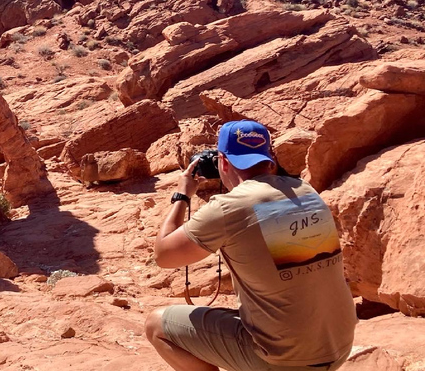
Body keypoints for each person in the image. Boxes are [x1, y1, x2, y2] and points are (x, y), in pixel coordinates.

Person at [146, 120, 356, 371]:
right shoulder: (306, 190)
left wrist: (182, 195)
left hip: (286, 359)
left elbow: (164, 256)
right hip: (338, 345)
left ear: (222, 162)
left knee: (157, 325)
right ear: (270, 159)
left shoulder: (231, 207)